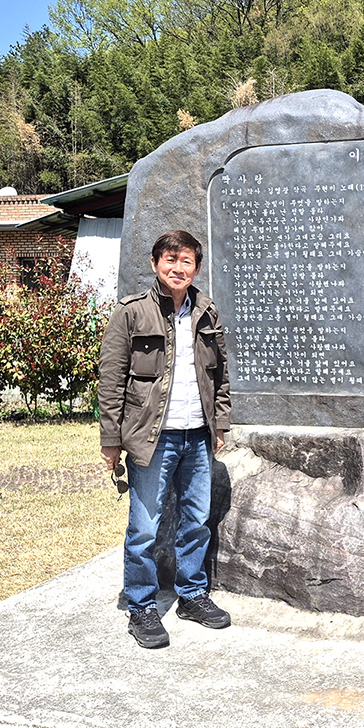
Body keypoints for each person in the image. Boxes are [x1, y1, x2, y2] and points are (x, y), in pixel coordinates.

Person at [99, 230, 232, 648]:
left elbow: (220, 375)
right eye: (170, 260)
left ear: (196, 267)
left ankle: (191, 594)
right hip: (151, 438)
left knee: (196, 520)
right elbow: (110, 379)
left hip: (197, 435)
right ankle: (141, 605)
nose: (178, 268)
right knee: (144, 527)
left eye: (186, 261)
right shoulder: (131, 312)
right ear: (156, 263)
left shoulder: (206, 311)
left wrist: (219, 425)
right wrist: (110, 439)